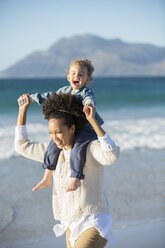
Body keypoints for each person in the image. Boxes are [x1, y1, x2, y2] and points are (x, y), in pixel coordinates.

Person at [15, 92, 120, 248]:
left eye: (59, 132)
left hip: (93, 222)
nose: (54, 137)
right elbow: (22, 146)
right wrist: (22, 111)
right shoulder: (53, 152)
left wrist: (93, 121)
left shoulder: (89, 149)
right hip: (69, 225)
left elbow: (111, 155)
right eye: (50, 133)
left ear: (72, 128)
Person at [20, 58, 104, 192]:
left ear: (88, 79)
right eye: (73, 73)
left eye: (81, 74)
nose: (77, 76)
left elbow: (90, 99)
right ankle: (47, 177)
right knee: (52, 147)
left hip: (85, 130)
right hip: (69, 131)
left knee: (77, 149)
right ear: (68, 77)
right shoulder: (64, 90)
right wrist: (31, 98)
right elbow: (48, 97)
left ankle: (76, 177)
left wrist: (88, 105)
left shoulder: (86, 92)